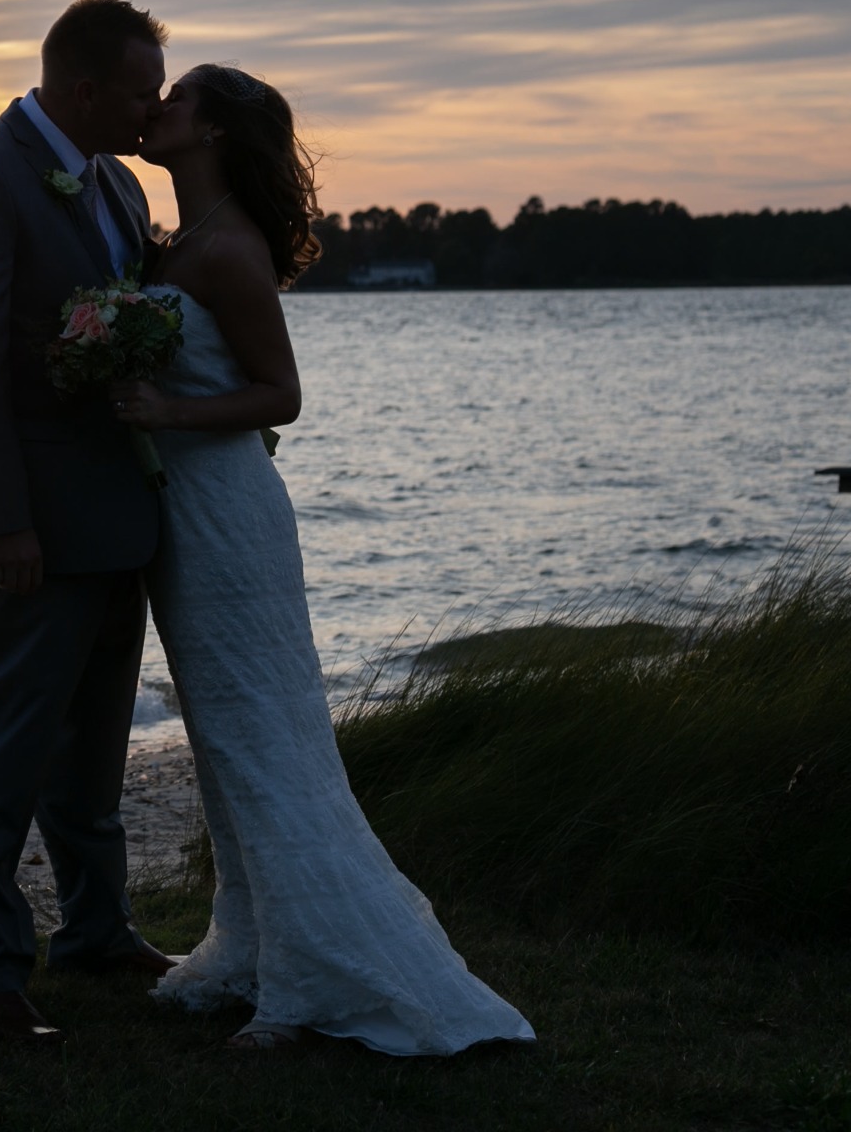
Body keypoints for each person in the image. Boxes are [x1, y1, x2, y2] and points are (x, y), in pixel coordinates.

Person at [112, 63, 536, 1055]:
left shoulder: (227, 250)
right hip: (185, 523)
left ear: (210, 131)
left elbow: (281, 393)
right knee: (224, 742)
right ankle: (255, 944)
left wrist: (169, 410)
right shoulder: (173, 242)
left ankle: (311, 981)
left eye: (173, 101)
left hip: (231, 522)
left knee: (265, 735)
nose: (155, 108)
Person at [0, 0, 179, 1047]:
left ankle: (98, 931)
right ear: (82, 88)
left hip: (118, 511)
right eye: (140, 89)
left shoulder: (113, 181)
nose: (153, 107)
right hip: (28, 524)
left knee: (96, 747)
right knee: (3, 741)